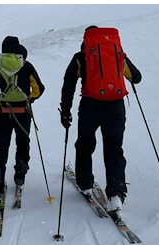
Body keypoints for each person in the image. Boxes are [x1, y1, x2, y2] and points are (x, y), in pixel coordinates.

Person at [59, 26, 142, 213]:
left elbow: (68, 85)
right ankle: (116, 193)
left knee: (85, 144)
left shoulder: (81, 57)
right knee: (114, 148)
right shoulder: (116, 54)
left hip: (90, 106)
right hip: (116, 105)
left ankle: (85, 183)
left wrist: (65, 111)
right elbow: (136, 77)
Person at [0, 36, 45, 207]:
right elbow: (39, 88)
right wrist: (30, 98)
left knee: (0, 148)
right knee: (22, 143)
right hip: (23, 113)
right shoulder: (26, 65)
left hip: (1, 112)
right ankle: (20, 175)